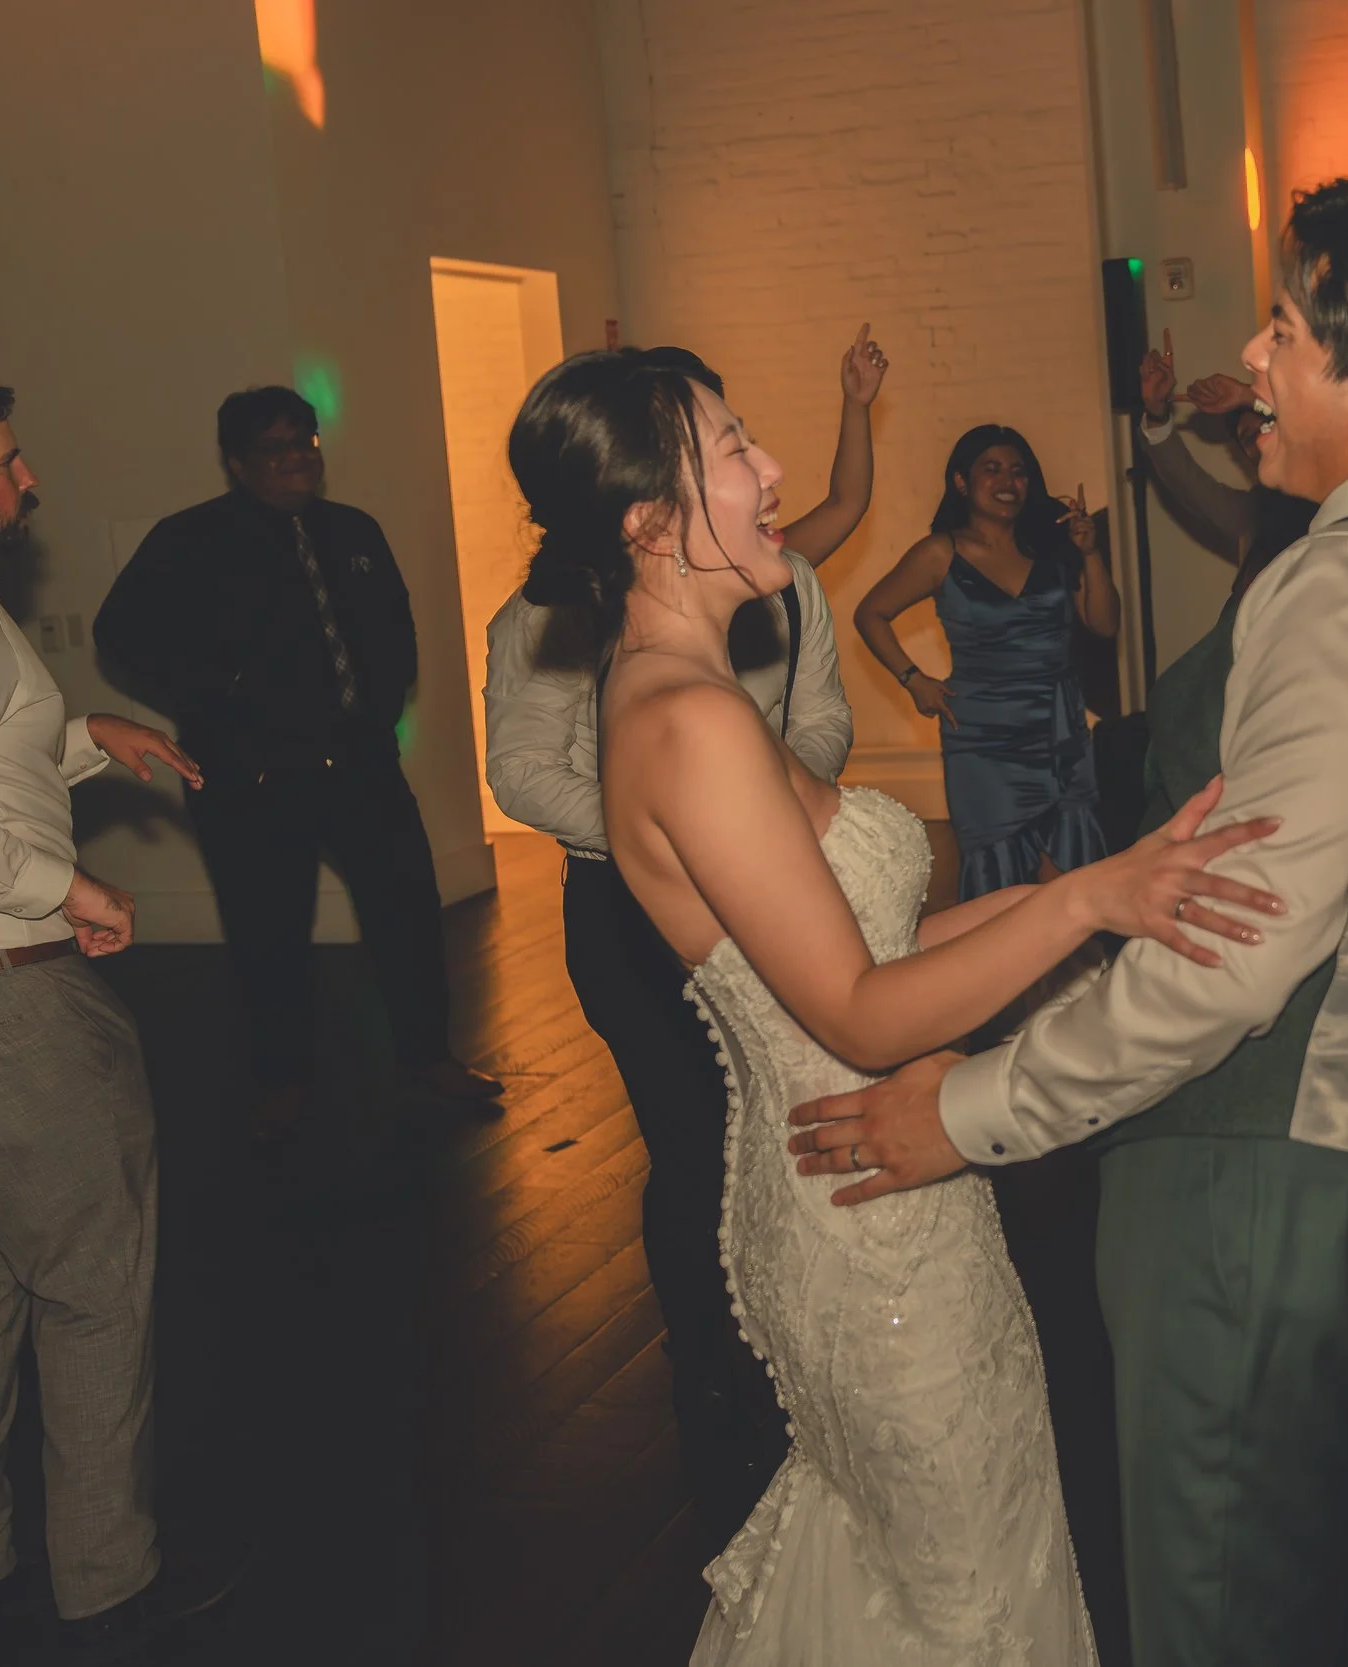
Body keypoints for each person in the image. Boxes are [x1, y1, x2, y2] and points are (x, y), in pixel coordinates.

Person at [789, 170, 1348, 1667]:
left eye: (1285, 329)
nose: (1251, 361)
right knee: (1281, 1585)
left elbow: (1239, 945)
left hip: (1252, 1171)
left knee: (1211, 1608)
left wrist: (975, 1107)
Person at [512, 344, 1279, 1662]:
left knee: (931, 1563)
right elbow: (864, 1015)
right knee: (961, 1588)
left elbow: (883, 939)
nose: (772, 474)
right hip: (861, 1208)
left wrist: (1094, 878)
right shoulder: (684, 720)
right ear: (649, 523)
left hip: (879, 1172)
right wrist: (1084, 910)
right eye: (736, 449)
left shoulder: (697, 697)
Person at [482, 330, 882, 1541]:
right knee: (696, 1137)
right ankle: (715, 1363)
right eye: (726, 440)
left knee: (796, 1119)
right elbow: (519, 772)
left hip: (786, 880)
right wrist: (685, 828)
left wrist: (777, 819)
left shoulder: (784, 586)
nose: (759, 468)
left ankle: (816, 1352)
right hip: (625, 906)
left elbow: (819, 716)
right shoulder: (545, 621)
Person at [0, 362, 215, 1662]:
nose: (27, 476)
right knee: (93, 1290)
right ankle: (107, 1586)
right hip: (5, 1004)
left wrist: (82, 733)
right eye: (2, 459)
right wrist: (65, 878)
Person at [92, 386, 500, 1142]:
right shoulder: (191, 539)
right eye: (275, 448)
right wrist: (222, 694)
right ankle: (284, 1080)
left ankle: (427, 1057)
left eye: (304, 441)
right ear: (237, 461)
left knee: (407, 913)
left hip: (363, 763)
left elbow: (393, 622)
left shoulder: (353, 529)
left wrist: (382, 696)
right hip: (252, 774)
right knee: (267, 932)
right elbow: (120, 632)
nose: (294, 459)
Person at [854, 426, 1120, 897]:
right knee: (1002, 882)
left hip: (1059, 733)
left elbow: (1104, 624)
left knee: (1070, 875)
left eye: (1018, 472)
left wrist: (1091, 553)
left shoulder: (1054, 550)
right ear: (961, 482)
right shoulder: (941, 552)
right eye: (991, 469)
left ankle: (1079, 971)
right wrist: (913, 680)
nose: (1007, 481)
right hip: (983, 740)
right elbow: (871, 613)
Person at [1135, 330, 1316, 592]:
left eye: (1268, 426)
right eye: (1249, 438)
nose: (1260, 443)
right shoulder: (1255, 511)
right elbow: (1189, 484)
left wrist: (1248, 396)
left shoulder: (1335, 489)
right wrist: (1156, 412)